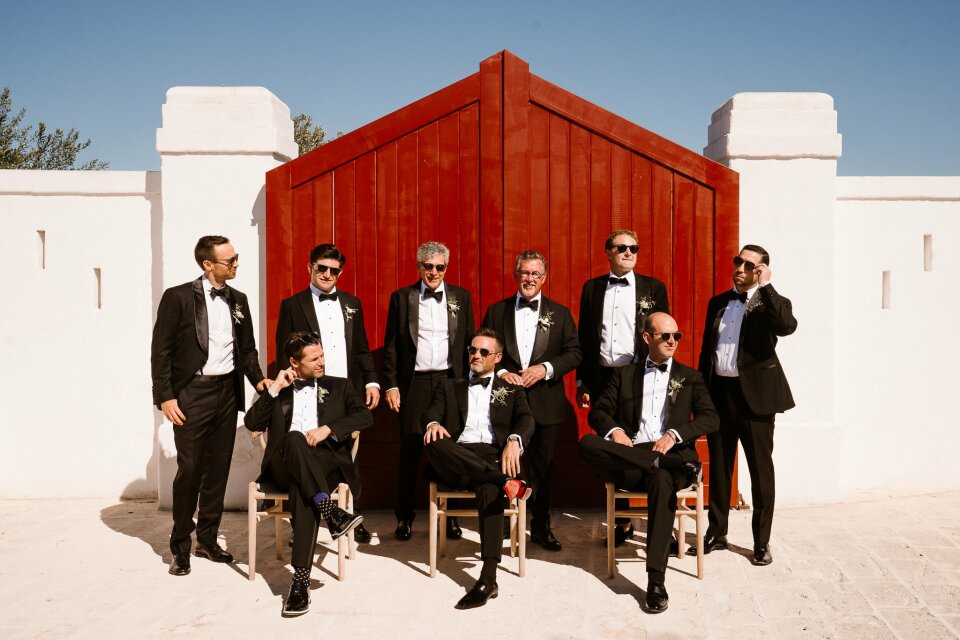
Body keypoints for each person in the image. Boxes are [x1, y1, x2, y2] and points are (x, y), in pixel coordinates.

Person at [581, 312, 718, 613]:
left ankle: (656, 581)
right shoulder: (623, 375)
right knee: (587, 443)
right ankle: (656, 462)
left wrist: (675, 434)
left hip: (673, 456)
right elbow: (598, 412)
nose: (672, 341)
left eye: (676, 336)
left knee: (661, 479)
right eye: (664, 335)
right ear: (647, 338)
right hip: (633, 456)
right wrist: (615, 431)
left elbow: (710, 418)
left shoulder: (690, 377)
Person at [151, 235, 269, 576]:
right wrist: (165, 396)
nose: (236, 264)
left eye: (236, 257)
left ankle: (207, 539)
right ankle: (180, 547)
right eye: (229, 260)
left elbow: (247, 349)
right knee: (189, 471)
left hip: (227, 393)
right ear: (207, 264)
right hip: (192, 394)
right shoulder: (177, 297)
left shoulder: (239, 299)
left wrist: (258, 381)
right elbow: (161, 351)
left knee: (217, 470)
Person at [244, 331, 372, 617]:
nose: (321, 362)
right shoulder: (278, 390)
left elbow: (365, 416)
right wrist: (274, 389)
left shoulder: (339, 386)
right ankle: (330, 512)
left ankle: (300, 583)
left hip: (325, 464)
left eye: (322, 355)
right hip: (283, 466)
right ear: (294, 362)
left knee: (304, 491)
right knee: (293, 439)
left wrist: (329, 428)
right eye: (314, 359)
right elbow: (252, 422)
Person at [694, 244, 797, 566]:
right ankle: (717, 532)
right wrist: (700, 395)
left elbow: (786, 326)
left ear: (761, 270)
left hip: (756, 399)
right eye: (738, 261)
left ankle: (761, 542)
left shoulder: (772, 303)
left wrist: (766, 286)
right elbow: (706, 352)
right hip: (720, 395)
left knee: (760, 471)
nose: (740, 268)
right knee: (719, 468)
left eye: (749, 265)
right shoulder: (717, 303)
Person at [421, 328, 534, 609]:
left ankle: (487, 578)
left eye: (484, 351)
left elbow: (526, 419)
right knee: (434, 442)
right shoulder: (449, 386)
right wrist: (433, 423)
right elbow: (432, 412)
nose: (476, 355)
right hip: (456, 457)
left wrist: (514, 440)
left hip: (492, 456)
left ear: (498, 357)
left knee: (488, 484)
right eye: (473, 350)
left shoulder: (511, 388)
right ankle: (504, 481)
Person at [275, 243, 379, 543]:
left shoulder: (352, 303)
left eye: (334, 270)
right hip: (309, 389)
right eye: (322, 268)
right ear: (310, 267)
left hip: (342, 391)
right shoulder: (292, 305)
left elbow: (361, 347)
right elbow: (285, 352)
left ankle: (352, 514)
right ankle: (302, 522)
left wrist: (371, 382)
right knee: (306, 453)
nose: (327, 274)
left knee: (346, 456)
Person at [481, 250, 581, 551]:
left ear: (544, 278)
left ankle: (540, 527)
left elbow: (575, 353)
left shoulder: (560, 313)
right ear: (516, 275)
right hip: (505, 401)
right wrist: (501, 373)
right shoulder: (496, 311)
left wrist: (545, 369)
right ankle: (500, 525)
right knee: (501, 462)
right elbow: (482, 348)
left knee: (542, 468)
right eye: (525, 272)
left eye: (536, 274)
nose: (530, 279)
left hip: (546, 401)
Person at [382, 241, 474, 541]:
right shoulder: (402, 297)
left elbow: (469, 342)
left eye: (440, 267)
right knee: (410, 450)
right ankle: (404, 517)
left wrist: (470, 385)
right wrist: (391, 384)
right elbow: (392, 346)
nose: (434, 272)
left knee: (452, 450)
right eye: (428, 266)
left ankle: (450, 518)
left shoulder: (461, 297)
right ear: (419, 266)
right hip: (415, 384)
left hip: (450, 382)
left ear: (446, 268)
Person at [577, 229, 668, 410]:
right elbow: (584, 337)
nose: (628, 253)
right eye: (622, 248)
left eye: (633, 249)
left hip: (639, 373)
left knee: (636, 426)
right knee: (603, 425)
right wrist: (582, 383)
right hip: (601, 377)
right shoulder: (591, 288)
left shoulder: (654, 288)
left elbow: (663, 336)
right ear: (608, 253)